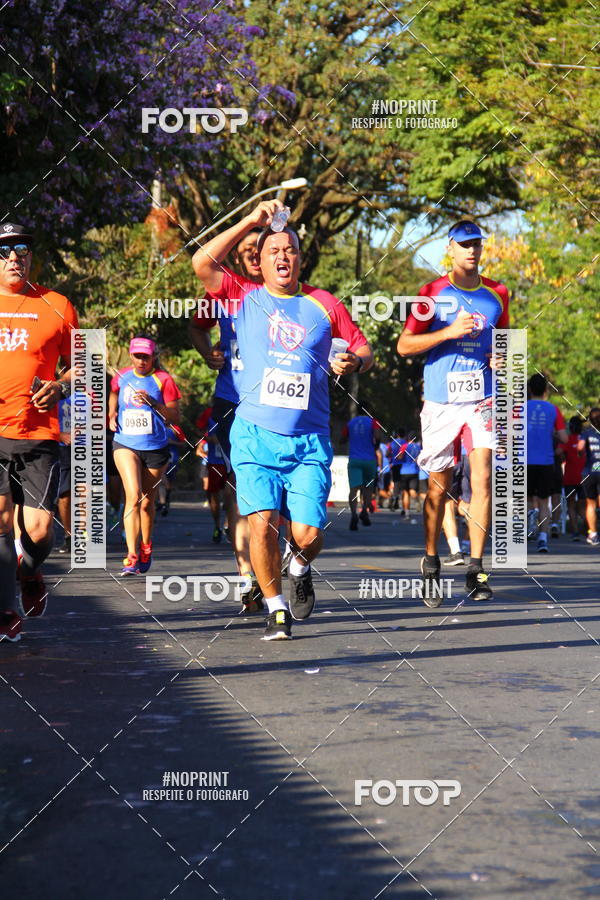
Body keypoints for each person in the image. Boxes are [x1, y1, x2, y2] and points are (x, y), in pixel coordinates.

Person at [193, 198, 373, 640]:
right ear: (261, 260)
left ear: (300, 257)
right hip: (254, 435)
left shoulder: (324, 303)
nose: (281, 257)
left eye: (288, 250)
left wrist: (355, 364)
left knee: (307, 534)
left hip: (309, 440)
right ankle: (275, 608)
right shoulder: (244, 297)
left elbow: (364, 348)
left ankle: (298, 565)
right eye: (272, 251)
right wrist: (251, 220)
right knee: (261, 521)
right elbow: (202, 262)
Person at [397, 219, 510, 606]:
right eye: (464, 244)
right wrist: (448, 333)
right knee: (439, 486)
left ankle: (477, 568)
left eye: (477, 244)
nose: (472, 251)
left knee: (483, 476)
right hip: (442, 400)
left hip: (482, 398)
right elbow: (404, 346)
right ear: (450, 248)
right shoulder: (431, 293)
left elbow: (506, 344)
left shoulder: (498, 294)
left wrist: (501, 357)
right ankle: (431, 560)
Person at [0, 222, 78, 641]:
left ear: (32, 256)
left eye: (22, 249)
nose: (15, 256)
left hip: (39, 433)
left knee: (39, 530)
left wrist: (60, 385)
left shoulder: (57, 305)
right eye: (5, 249)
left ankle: (29, 574)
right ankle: (4, 610)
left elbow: (84, 364)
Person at [191, 228, 264, 611]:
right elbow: (195, 327)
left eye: (259, 250)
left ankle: (268, 563)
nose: (254, 256)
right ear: (237, 257)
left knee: (271, 493)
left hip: (276, 405)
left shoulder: (287, 293)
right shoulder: (224, 291)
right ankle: (247, 577)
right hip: (232, 402)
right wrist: (207, 354)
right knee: (242, 486)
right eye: (248, 250)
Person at [109, 336, 181, 576]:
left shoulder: (163, 380)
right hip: (125, 443)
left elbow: (174, 417)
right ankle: (130, 554)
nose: (141, 361)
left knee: (147, 500)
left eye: (146, 357)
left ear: (153, 357)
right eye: (137, 356)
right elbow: (113, 393)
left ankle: (146, 546)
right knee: (133, 495)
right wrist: (111, 414)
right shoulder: (122, 375)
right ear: (131, 355)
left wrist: (153, 403)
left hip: (155, 447)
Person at [526, 373, 567, 553]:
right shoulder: (553, 409)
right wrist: (554, 434)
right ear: (545, 390)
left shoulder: (520, 409)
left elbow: (509, 436)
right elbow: (565, 438)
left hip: (525, 460)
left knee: (526, 498)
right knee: (544, 501)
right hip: (546, 461)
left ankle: (529, 520)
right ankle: (543, 538)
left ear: (529, 390)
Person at [340, 414, 380, 530]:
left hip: (354, 459)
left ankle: (353, 514)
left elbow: (342, 439)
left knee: (353, 489)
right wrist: (374, 448)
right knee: (368, 488)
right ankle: (364, 511)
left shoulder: (350, 423)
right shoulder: (373, 421)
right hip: (369, 460)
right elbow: (377, 436)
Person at [560, 416, 586, 541]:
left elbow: (558, 452)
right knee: (583, 505)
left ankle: (575, 531)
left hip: (570, 477)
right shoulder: (587, 439)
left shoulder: (567, 440)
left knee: (571, 504)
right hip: (585, 477)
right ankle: (590, 529)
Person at [582, 407, 600, 546]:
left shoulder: (586, 433)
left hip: (589, 471)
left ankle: (593, 534)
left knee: (591, 503)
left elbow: (580, 448)